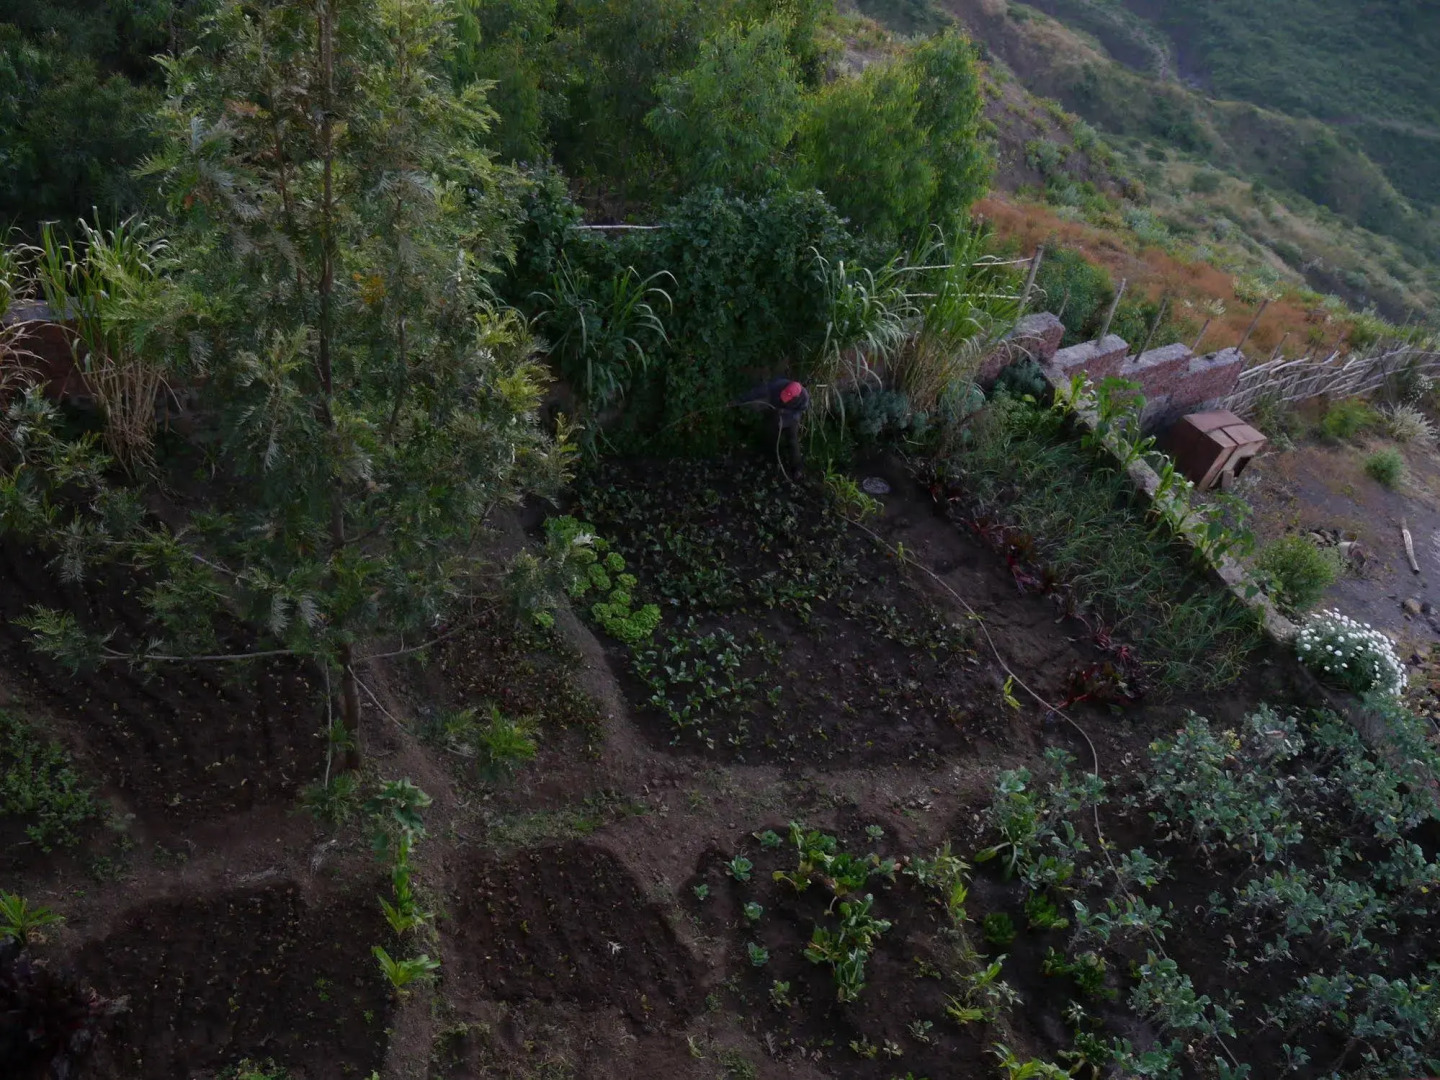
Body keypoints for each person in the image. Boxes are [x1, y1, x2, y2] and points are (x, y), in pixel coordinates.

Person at [735, 377, 809, 475]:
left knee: (792, 441)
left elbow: (799, 411)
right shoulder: (778, 384)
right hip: (775, 412)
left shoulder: (804, 397)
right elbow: (758, 391)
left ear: (796, 396)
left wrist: (785, 414)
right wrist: (741, 400)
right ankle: (768, 456)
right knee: (769, 434)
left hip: (791, 418)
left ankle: (797, 467)